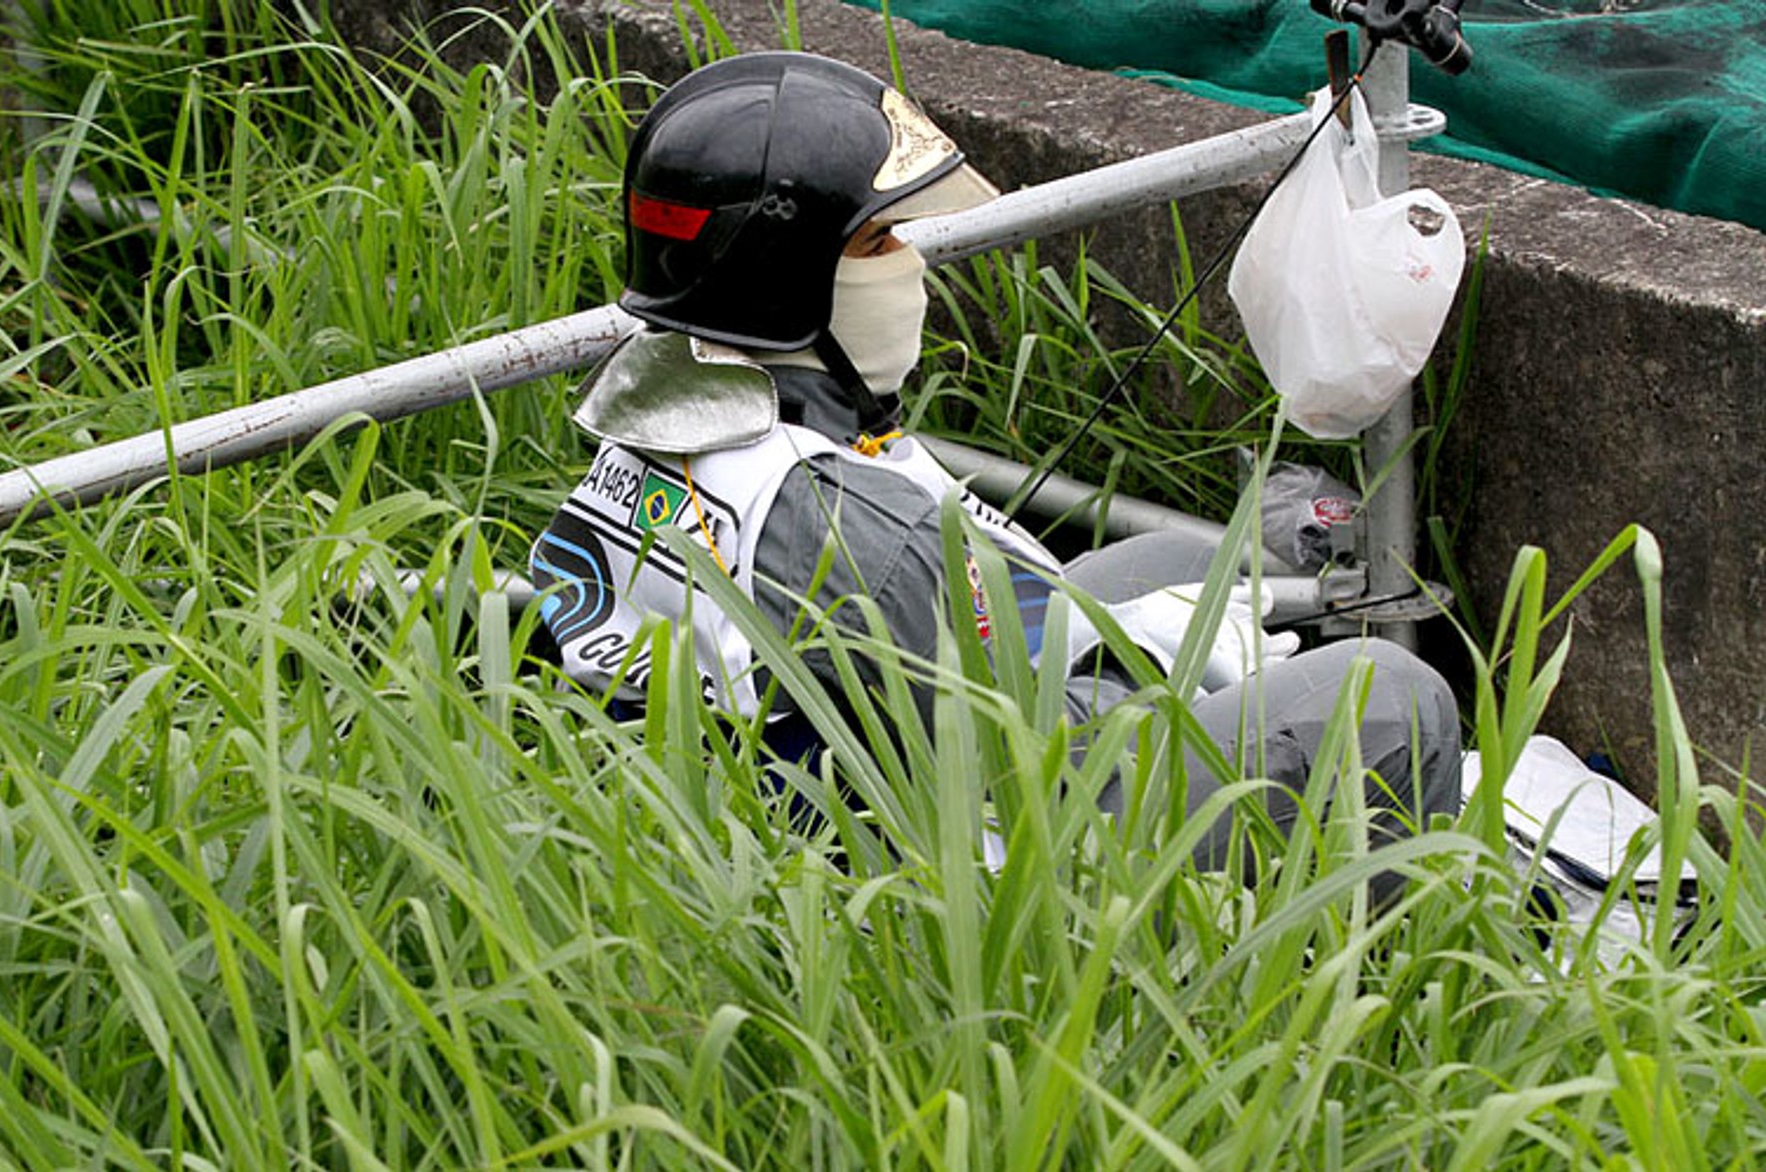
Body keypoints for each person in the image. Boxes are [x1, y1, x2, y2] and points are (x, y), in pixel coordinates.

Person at [529, 51, 1461, 874]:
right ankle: (1322, 990)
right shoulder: (871, 535)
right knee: (1391, 699)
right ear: (783, 274)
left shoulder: (665, 403)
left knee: (1182, 569)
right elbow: (1020, 757)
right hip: (973, 857)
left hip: (799, 765)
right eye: (879, 240)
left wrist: (1133, 630)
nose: (911, 263)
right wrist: (1141, 658)